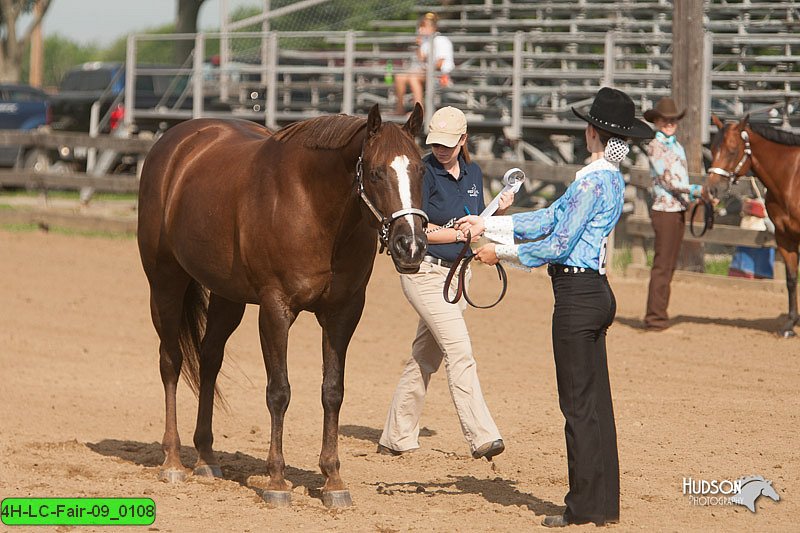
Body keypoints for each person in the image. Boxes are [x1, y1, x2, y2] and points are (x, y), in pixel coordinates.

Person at [456, 88, 654, 527]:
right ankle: (601, 504)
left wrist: (499, 253)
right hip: (595, 293)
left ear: (594, 132)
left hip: (577, 299)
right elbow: (549, 219)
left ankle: (583, 507)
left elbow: (558, 242)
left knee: (578, 405)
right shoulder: (608, 178)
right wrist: (490, 223)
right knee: (595, 404)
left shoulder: (590, 180)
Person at [378, 106, 513, 461]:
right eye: (436, 143)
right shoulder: (422, 173)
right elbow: (414, 230)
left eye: (448, 145)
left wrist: (496, 211)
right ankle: (482, 435)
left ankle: (396, 435)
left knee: (425, 357)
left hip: (458, 274)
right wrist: (456, 232)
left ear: (464, 141)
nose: (440, 150)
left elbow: (475, 219)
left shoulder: (474, 173)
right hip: (424, 273)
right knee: (460, 352)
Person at [642, 97, 702, 331]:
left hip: (677, 209)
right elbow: (670, 180)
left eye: (672, 120)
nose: (669, 123)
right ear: (657, 121)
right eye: (665, 120)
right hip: (664, 211)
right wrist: (694, 190)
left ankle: (659, 314)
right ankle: (654, 317)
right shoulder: (656, 146)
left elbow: (680, 178)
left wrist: (691, 195)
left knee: (668, 264)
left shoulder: (676, 145)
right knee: (662, 264)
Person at [393, 12, 455, 116]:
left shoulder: (441, 40)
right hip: (427, 74)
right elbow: (421, 60)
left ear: (433, 28)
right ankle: (399, 110)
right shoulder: (426, 42)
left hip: (441, 76)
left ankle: (419, 112)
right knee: (400, 77)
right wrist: (419, 45)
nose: (421, 29)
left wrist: (424, 69)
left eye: (424, 26)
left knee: (414, 77)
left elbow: (440, 64)